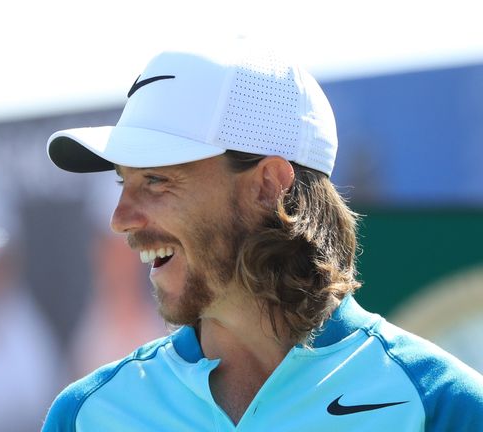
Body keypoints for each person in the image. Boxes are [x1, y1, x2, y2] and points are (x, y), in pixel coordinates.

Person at [41, 45, 483, 431]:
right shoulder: (86, 415)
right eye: (123, 183)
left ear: (269, 184)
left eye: (156, 180)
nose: (120, 220)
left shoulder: (443, 406)